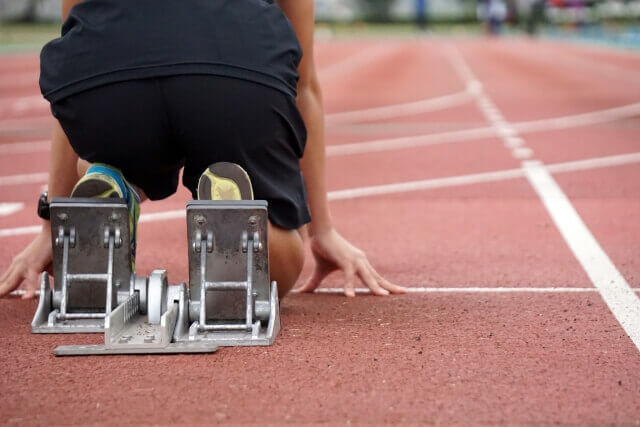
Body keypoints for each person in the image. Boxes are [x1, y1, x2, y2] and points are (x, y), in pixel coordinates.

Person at [0, 0, 405, 299]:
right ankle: (232, 214)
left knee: (97, 84)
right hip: (232, 69)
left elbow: (76, 54)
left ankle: (112, 187)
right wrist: (320, 229)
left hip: (107, 80)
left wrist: (54, 225)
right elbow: (305, 84)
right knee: (283, 255)